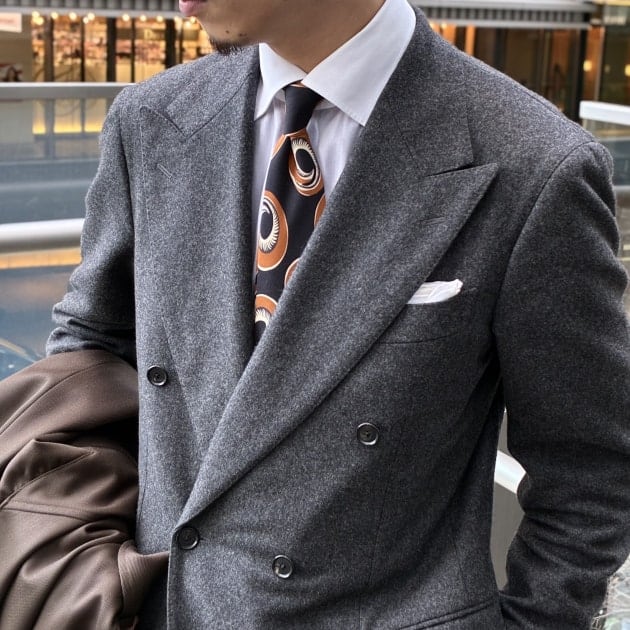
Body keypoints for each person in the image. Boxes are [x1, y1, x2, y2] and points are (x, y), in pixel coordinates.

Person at [45, 0, 630, 628]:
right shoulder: (151, 119)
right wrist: (82, 561)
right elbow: (88, 355)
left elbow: (590, 472)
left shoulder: (533, 162)